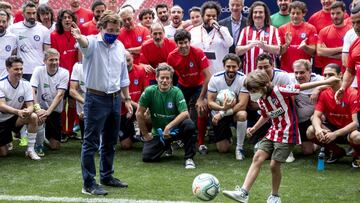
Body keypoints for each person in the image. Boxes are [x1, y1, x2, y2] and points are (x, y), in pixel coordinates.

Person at [223, 70, 339, 203]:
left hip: (288, 133)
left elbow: (301, 87)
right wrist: (254, 128)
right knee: (257, 157)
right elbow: (266, 115)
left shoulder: (279, 90)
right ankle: (243, 193)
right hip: (273, 131)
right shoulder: (261, 100)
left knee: (274, 165)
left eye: (253, 90)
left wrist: (326, 82)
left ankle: (275, 196)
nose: (251, 94)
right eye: (250, 90)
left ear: (263, 86)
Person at [71, 11, 132, 196]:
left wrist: (127, 98)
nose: (113, 34)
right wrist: (79, 37)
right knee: (90, 143)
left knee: (110, 141)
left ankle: (107, 176)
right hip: (95, 99)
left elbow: (123, 76)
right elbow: (84, 43)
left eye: (116, 30)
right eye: (110, 30)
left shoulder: (120, 46)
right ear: (101, 28)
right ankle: (88, 183)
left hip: (115, 99)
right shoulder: (91, 43)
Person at [136, 63, 197, 169]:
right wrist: (146, 134)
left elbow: (185, 113)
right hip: (159, 132)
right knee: (147, 157)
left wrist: (169, 127)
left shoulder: (176, 92)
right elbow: (139, 113)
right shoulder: (149, 91)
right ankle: (167, 145)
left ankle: (189, 158)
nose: (164, 81)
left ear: (171, 79)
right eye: (162, 78)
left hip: (175, 130)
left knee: (189, 124)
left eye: (167, 78)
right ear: (156, 78)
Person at [167, 29, 211, 155]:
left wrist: (201, 98)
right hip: (183, 85)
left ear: (189, 42)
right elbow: (170, 77)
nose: (184, 45)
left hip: (199, 85)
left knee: (202, 109)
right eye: (180, 43)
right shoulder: (172, 56)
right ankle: (176, 139)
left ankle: (201, 142)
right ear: (176, 43)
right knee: (175, 110)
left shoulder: (197, 52)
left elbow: (208, 76)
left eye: (186, 42)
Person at [307, 63, 359, 167]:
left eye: (330, 75)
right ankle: (337, 151)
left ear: (340, 75)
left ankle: (357, 155)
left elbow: (355, 123)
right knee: (311, 131)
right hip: (333, 128)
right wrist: (318, 129)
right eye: (325, 75)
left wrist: (335, 134)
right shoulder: (324, 93)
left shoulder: (353, 94)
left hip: (349, 130)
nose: (327, 78)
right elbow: (316, 116)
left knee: (357, 136)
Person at [207, 53, 248, 160]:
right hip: (219, 112)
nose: (231, 69)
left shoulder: (243, 79)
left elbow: (242, 104)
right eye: (228, 66)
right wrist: (221, 108)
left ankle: (239, 148)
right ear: (223, 66)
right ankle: (228, 137)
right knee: (222, 149)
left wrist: (222, 114)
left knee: (243, 115)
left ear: (239, 66)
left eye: (234, 66)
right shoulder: (215, 78)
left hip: (234, 112)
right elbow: (210, 102)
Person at [30, 48, 69, 153]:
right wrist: (37, 109)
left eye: (56, 60)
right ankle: (36, 141)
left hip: (54, 111)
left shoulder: (64, 73)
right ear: (45, 61)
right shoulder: (38, 70)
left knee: (55, 146)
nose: (54, 62)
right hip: (40, 109)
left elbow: (60, 95)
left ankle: (43, 137)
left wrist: (48, 112)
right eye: (51, 60)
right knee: (36, 117)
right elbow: (32, 90)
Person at [0, 56, 39, 160]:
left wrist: (28, 110)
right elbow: (2, 106)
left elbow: (30, 105)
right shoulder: (1, 84)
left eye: (21, 69)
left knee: (33, 116)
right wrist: (18, 111)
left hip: (15, 118)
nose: (20, 72)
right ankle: (7, 140)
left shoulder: (26, 84)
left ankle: (30, 150)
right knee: (3, 153)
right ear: (8, 69)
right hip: (1, 121)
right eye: (16, 69)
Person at [51, 9, 79, 141]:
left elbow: (79, 55)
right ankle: (62, 130)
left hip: (74, 75)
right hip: (61, 75)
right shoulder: (54, 35)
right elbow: (55, 55)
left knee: (73, 103)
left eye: (70, 17)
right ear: (60, 21)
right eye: (64, 18)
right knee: (61, 104)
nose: (67, 20)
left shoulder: (77, 34)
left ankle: (70, 130)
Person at [9, 1, 50, 81]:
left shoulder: (43, 30)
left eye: (34, 13)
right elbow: (12, 52)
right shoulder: (13, 29)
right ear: (23, 14)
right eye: (28, 13)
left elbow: (47, 52)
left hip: (39, 70)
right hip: (21, 70)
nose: (31, 16)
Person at [236, 1, 280, 74]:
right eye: (255, 12)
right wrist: (250, 46)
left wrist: (264, 46)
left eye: (260, 12)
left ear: (265, 14)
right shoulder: (245, 30)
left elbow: (278, 50)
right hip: (249, 73)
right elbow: (238, 51)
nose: (257, 15)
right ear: (251, 14)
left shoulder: (273, 30)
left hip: (269, 74)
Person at [190, 1, 233, 74]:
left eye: (214, 16)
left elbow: (230, 43)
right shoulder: (193, 31)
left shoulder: (223, 30)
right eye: (208, 15)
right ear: (202, 15)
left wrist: (219, 28)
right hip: (199, 73)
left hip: (218, 73)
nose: (211, 18)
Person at [290, 59, 323, 155]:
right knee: (307, 151)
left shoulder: (319, 80)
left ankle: (322, 144)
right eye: (296, 73)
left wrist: (318, 88)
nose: (298, 76)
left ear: (310, 71)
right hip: (298, 121)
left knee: (309, 151)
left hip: (315, 118)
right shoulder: (289, 79)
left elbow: (335, 81)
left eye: (302, 72)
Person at [278, 1, 317, 73]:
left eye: (298, 13)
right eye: (293, 13)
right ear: (289, 14)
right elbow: (279, 52)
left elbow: (313, 52)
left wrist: (305, 47)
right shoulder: (282, 29)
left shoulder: (311, 28)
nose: (295, 16)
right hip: (286, 70)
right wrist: (287, 45)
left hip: (304, 71)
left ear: (303, 14)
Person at [119, 51, 146, 150]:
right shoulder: (116, 72)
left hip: (136, 108)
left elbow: (146, 91)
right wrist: (132, 105)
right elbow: (120, 95)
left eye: (128, 60)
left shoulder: (141, 70)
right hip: (122, 111)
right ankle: (135, 132)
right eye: (123, 61)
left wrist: (140, 108)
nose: (126, 63)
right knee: (125, 146)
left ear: (133, 58)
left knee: (148, 114)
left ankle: (142, 132)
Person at [317, 1, 352, 72]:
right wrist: (343, 48)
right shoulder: (323, 32)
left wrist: (328, 54)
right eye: (332, 13)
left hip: (347, 73)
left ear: (344, 12)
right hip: (328, 74)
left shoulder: (352, 31)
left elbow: (352, 55)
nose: (335, 16)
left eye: (338, 13)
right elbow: (320, 52)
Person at [69, 62, 85, 140]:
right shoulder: (78, 66)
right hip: (83, 112)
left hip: (100, 108)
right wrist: (87, 103)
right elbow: (72, 90)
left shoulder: (101, 64)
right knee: (88, 142)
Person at [0, 9, 17, 79]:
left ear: (7, 22)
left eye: (4, 22)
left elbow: (13, 56)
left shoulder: (13, 38)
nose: (1, 24)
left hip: (5, 77)